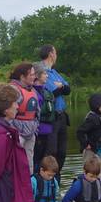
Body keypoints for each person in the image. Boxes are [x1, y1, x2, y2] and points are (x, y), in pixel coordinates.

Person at [39, 44, 71, 176]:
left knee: (62, 152)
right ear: (51, 54)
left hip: (62, 115)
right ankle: (46, 179)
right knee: (51, 151)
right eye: (55, 53)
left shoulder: (54, 72)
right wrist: (61, 87)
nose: (56, 56)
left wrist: (62, 86)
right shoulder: (42, 71)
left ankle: (56, 180)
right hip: (51, 118)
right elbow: (53, 93)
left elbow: (68, 90)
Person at [8, 63, 40, 172]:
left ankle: (29, 183)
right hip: (18, 132)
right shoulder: (13, 90)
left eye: (34, 74)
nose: (34, 77)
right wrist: (16, 130)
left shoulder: (32, 90)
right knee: (15, 162)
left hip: (30, 132)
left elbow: (37, 112)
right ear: (22, 77)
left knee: (29, 165)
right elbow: (8, 113)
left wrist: (34, 128)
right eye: (31, 75)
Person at [76, 93, 101, 169]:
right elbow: (80, 132)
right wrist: (85, 144)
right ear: (98, 106)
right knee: (90, 170)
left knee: (99, 170)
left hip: (100, 148)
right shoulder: (92, 119)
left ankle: (99, 181)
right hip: (90, 150)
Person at [32, 63, 56, 171]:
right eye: (44, 73)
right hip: (38, 132)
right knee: (37, 160)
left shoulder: (47, 91)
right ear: (37, 75)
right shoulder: (33, 92)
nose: (47, 75)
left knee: (47, 160)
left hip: (48, 131)